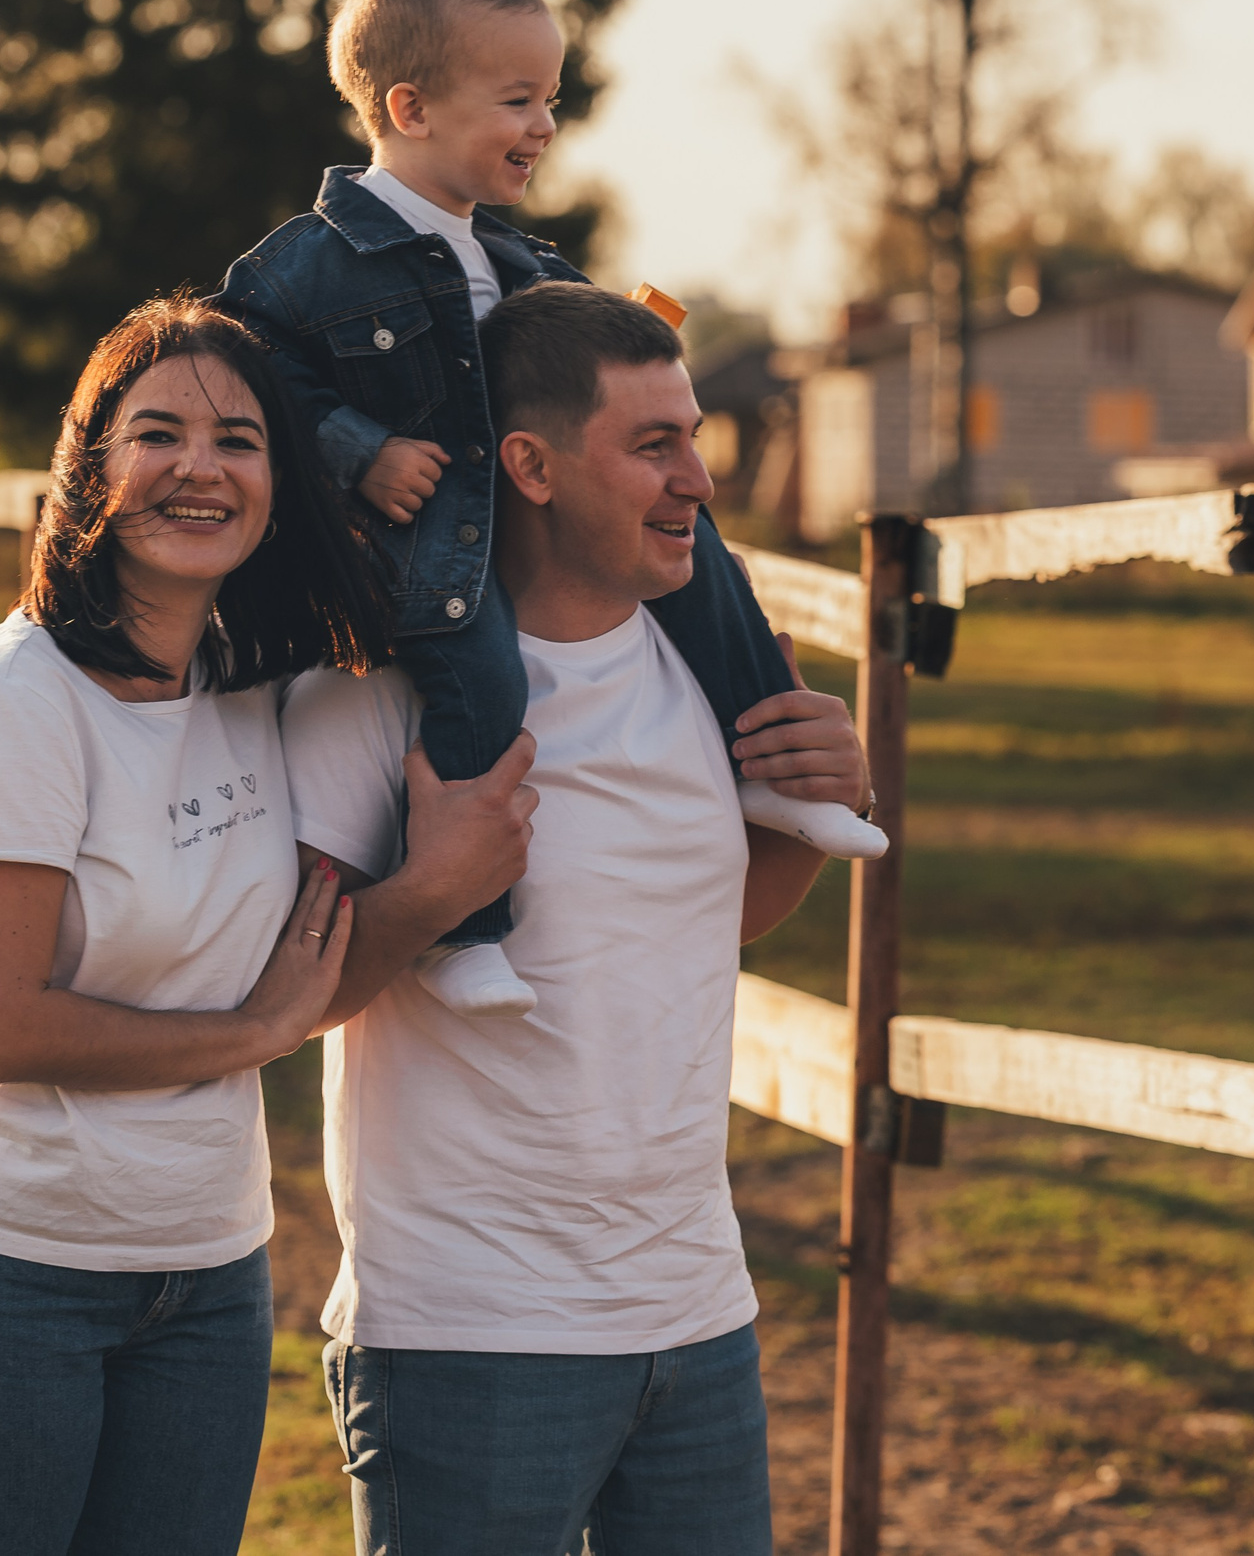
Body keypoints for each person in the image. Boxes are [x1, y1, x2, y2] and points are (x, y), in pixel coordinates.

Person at [0, 298, 539, 1555]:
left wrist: (430, 888)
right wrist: (250, 1033)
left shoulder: (258, 691)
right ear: (89, 468)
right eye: (157, 433)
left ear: (279, 485)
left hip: (206, 1277)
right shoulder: (16, 700)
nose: (201, 466)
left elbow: (300, 978)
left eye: (241, 440)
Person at [281, 282, 871, 1554]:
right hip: (468, 1334)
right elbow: (288, 1004)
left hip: (696, 1314)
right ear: (531, 467)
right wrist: (437, 887)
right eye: (653, 445)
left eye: (694, 436)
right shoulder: (378, 700)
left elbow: (705, 922)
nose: (698, 481)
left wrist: (813, 806)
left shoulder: (706, 672)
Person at [217, 0, 882, 1024]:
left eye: (551, 100)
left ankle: (775, 765)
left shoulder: (527, 269)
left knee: (706, 555)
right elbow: (243, 371)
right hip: (432, 556)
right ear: (410, 107)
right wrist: (358, 449)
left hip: (531, 542)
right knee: (482, 681)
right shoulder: (310, 264)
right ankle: (470, 929)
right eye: (518, 100)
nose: (544, 127)